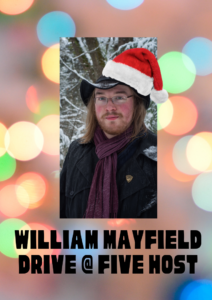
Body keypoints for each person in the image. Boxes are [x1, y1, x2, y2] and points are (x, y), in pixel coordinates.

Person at [60, 48, 168, 218]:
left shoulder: (160, 157)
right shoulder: (76, 151)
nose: (109, 107)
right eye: (101, 98)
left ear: (138, 104)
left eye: (119, 97)